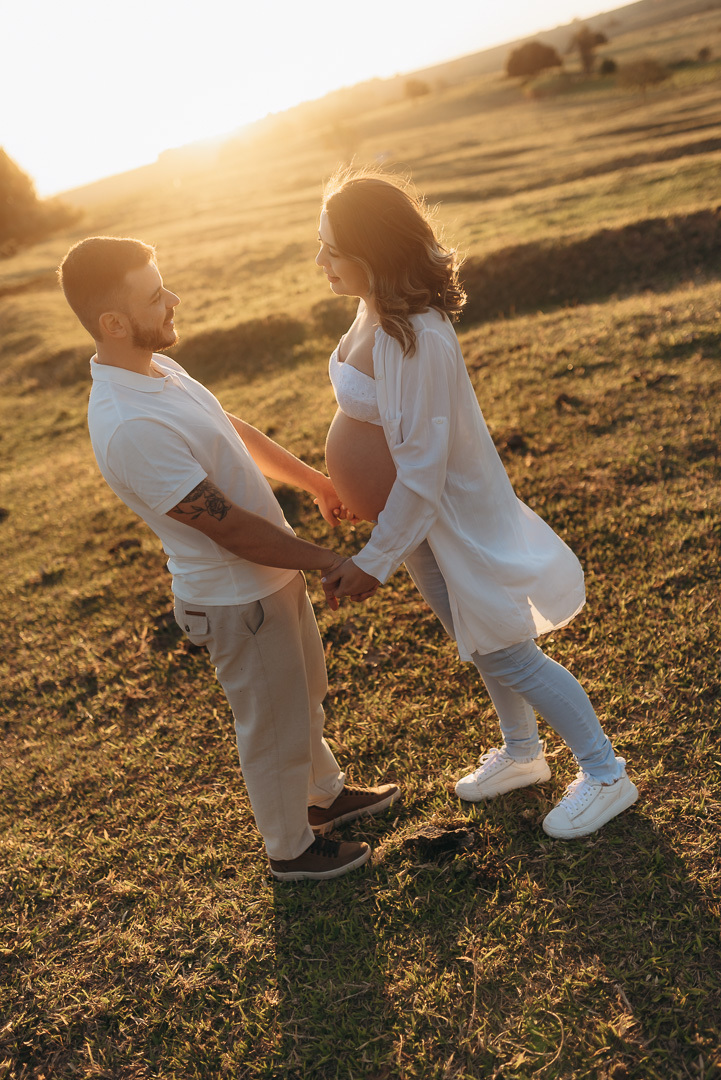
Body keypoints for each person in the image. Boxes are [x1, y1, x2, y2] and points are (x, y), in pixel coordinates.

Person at [57, 235, 400, 880]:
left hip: (269, 578)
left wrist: (315, 482)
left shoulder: (155, 370)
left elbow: (229, 427)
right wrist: (323, 558)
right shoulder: (128, 424)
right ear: (114, 322)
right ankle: (291, 850)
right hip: (236, 598)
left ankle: (322, 800)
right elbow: (231, 530)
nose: (174, 300)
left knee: (304, 695)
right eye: (156, 296)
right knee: (272, 724)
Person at [316, 172, 638, 839]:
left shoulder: (416, 336)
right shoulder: (374, 307)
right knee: (480, 644)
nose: (319, 262)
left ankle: (606, 774)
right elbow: (381, 427)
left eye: (330, 249)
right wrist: (358, 492)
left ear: (371, 253)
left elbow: (425, 468)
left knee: (509, 651)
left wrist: (373, 560)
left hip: (450, 518)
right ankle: (522, 754)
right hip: (413, 522)